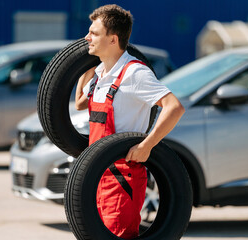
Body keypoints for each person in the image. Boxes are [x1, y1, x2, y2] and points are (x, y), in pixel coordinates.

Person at [75, 4, 185, 239]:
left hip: (122, 178)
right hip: (96, 174)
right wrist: (82, 65)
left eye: (94, 33)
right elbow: (80, 103)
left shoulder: (135, 73)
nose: (87, 37)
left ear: (113, 39)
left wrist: (147, 145)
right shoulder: (100, 73)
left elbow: (174, 107)